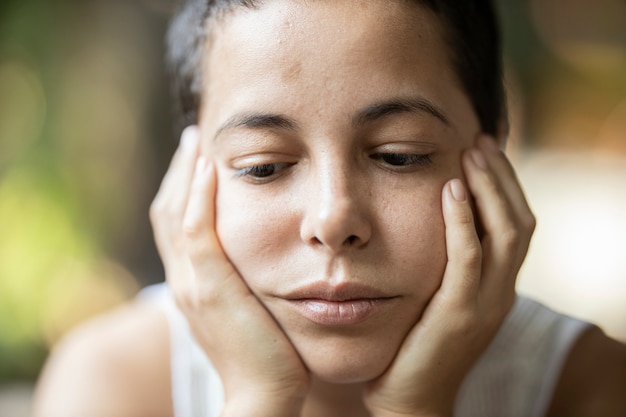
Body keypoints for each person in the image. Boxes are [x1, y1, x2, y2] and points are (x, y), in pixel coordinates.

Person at [33, 1, 626, 416]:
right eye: (263, 165)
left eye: (400, 155)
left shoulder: (589, 388)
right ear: (189, 176)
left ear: (495, 149)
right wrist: (259, 403)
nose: (333, 219)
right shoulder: (113, 384)